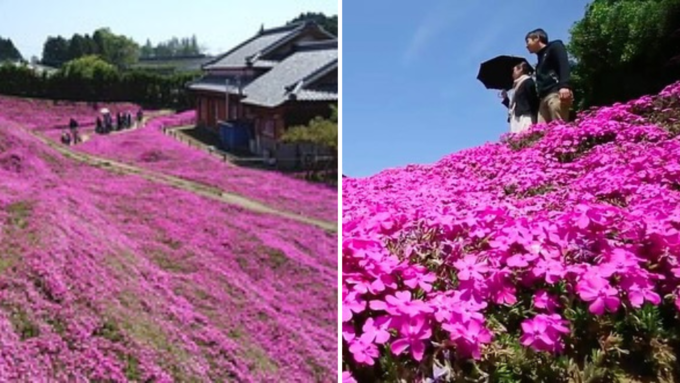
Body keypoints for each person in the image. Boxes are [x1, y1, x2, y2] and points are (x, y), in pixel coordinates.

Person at [525, 28, 573, 123]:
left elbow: (563, 64)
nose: (526, 46)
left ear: (536, 38)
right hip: (543, 98)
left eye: (528, 41)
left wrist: (564, 86)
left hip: (556, 93)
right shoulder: (539, 61)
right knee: (542, 132)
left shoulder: (555, 46)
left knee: (559, 125)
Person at [500, 61, 539, 134]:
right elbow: (515, 104)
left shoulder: (527, 81)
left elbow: (532, 100)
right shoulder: (516, 86)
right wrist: (506, 98)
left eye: (513, 70)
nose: (512, 73)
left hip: (525, 116)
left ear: (520, 69)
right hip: (515, 117)